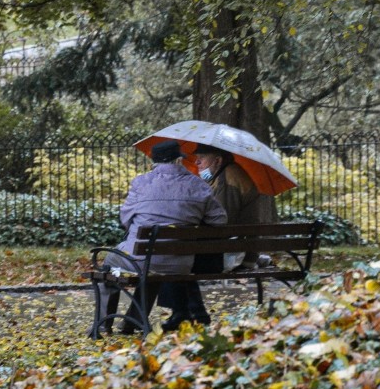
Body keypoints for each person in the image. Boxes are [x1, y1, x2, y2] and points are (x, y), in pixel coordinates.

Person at [94, 140, 227, 335]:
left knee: (110, 262)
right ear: (179, 160)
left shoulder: (141, 183)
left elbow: (126, 218)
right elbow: (220, 220)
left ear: (154, 161)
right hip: (181, 263)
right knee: (152, 264)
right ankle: (133, 322)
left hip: (143, 258)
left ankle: (103, 324)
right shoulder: (198, 185)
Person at [157, 143, 278, 331]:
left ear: (218, 160)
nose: (196, 162)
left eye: (202, 158)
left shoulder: (228, 180)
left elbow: (220, 223)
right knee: (176, 256)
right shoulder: (222, 176)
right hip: (234, 247)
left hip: (233, 254)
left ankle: (188, 313)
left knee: (174, 258)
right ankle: (191, 313)